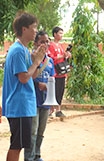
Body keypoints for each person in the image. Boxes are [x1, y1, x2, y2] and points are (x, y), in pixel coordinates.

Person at [2, 12, 46, 161]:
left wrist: (38, 62)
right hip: (19, 105)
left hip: (23, 106)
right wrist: (35, 63)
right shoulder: (18, 51)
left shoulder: (24, 50)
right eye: (33, 28)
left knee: (19, 144)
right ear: (24, 29)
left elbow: (31, 76)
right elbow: (23, 78)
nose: (36, 31)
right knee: (16, 145)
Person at [24, 31, 55, 161]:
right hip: (33, 100)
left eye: (47, 41)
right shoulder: (30, 58)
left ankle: (37, 155)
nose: (45, 44)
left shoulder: (50, 61)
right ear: (36, 43)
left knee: (41, 131)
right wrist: (38, 85)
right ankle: (29, 157)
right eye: (42, 41)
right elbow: (25, 77)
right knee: (32, 131)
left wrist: (52, 100)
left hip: (45, 101)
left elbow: (52, 80)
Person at [48, 26, 71, 117]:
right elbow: (51, 58)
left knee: (60, 91)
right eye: (60, 33)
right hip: (55, 73)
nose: (61, 35)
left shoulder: (61, 46)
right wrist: (62, 56)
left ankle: (58, 109)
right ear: (55, 34)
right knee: (54, 91)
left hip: (62, 72)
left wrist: (66, 56)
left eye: (62, 33)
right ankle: (52, 109)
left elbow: (61, 57)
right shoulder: (51, 45)